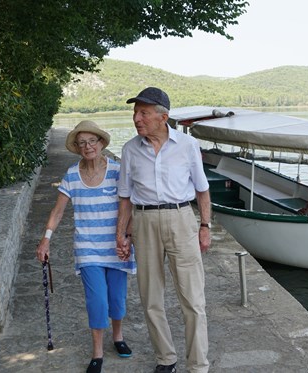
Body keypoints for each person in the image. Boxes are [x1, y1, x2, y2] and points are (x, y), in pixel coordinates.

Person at [116, 87, 212, 373]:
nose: (136, 118)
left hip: (181, 218)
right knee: (150, 297)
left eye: (143, 112)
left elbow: (202, 190)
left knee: (193, 299)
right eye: (135, 112)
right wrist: (122, 234)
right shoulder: (130, 149)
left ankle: (197, 365)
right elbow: (124, 197)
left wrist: (205, 226)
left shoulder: (186, 145)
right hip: (144, 222)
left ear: (163, 117)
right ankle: (165, 358)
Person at [36, 121, 136, 373]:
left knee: (116, 298)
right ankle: (97, 353)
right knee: (97, 300)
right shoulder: (72, 175)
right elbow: (58, 211)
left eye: (92, 141)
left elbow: (130, 205)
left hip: (117, 245)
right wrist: (46, 238)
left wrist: (128, 236)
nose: (87, 146)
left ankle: (118, 337)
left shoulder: (117, 170)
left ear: (101, 143)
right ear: (78, 148)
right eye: (82, 143)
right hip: (88, 247)